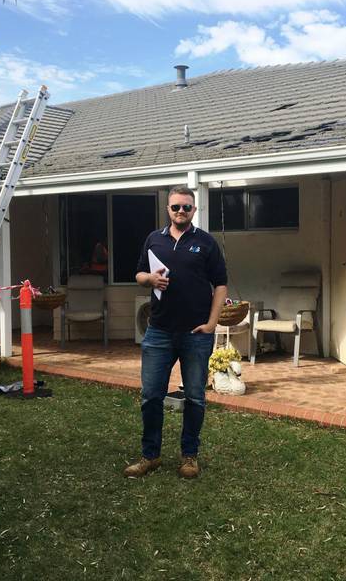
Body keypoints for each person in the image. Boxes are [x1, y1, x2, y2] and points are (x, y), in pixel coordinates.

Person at [124, 186, 227, 479]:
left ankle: (189, 457)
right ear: (167, 210)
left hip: (196, 332)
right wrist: (150, 280)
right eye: (175, 207)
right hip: (159, 331)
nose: (180, 212)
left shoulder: (205, 243)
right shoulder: (154, 239)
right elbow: (139, 273)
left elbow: (221, 284)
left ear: (194, 210)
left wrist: (211, 323)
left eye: (186, 207)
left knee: (194, 397)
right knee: (151, 396)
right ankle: (150, 456)